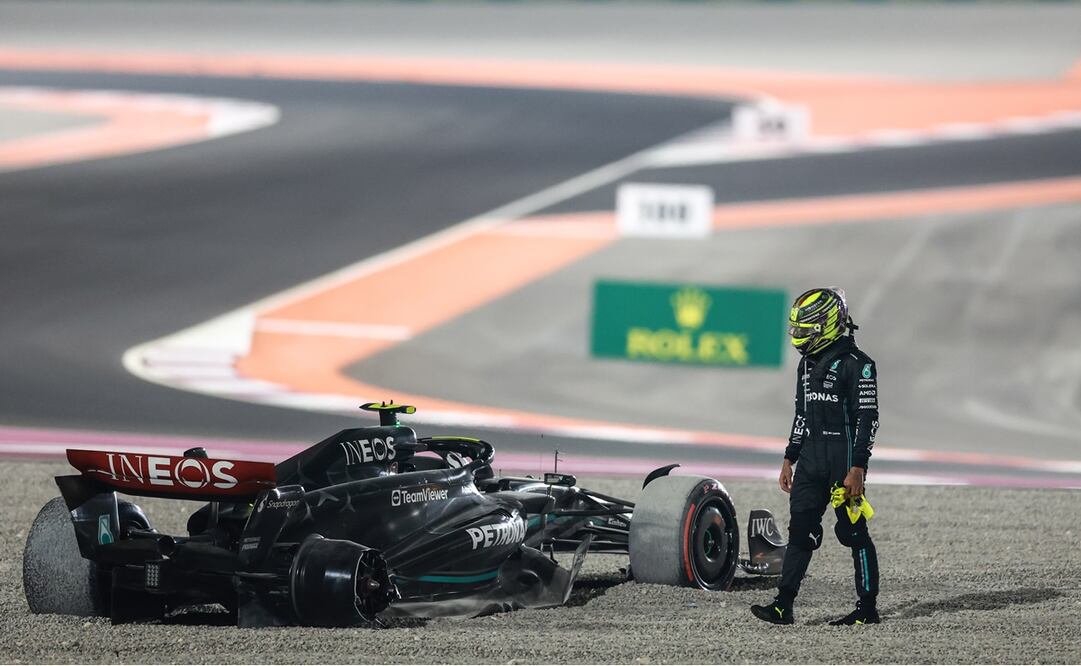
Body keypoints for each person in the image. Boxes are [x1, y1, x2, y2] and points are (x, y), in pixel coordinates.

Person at [751, 287, 881, 626]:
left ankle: (867, 610)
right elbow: (801, 414)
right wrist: (789, 457)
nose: (798, 337)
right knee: (800, 532)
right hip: (810, 461)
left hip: (843, 464)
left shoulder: (859, 365)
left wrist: (858, 469)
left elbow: (869, 419)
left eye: (804, 330)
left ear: (825, 325)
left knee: (854, 534)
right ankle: (783, 606)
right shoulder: (806, 365)